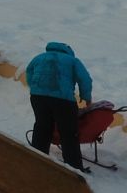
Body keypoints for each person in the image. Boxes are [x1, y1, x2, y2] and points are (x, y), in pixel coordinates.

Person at [25, 41, 94, 172]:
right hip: (63, 100)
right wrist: (87, 97)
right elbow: (85, 79)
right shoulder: (72, 60)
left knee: (42, 127)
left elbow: (29, 71)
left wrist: (34, 87)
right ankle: (74, 168)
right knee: (68, 133)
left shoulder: (39, 57)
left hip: (38, 97)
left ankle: (36, 161)